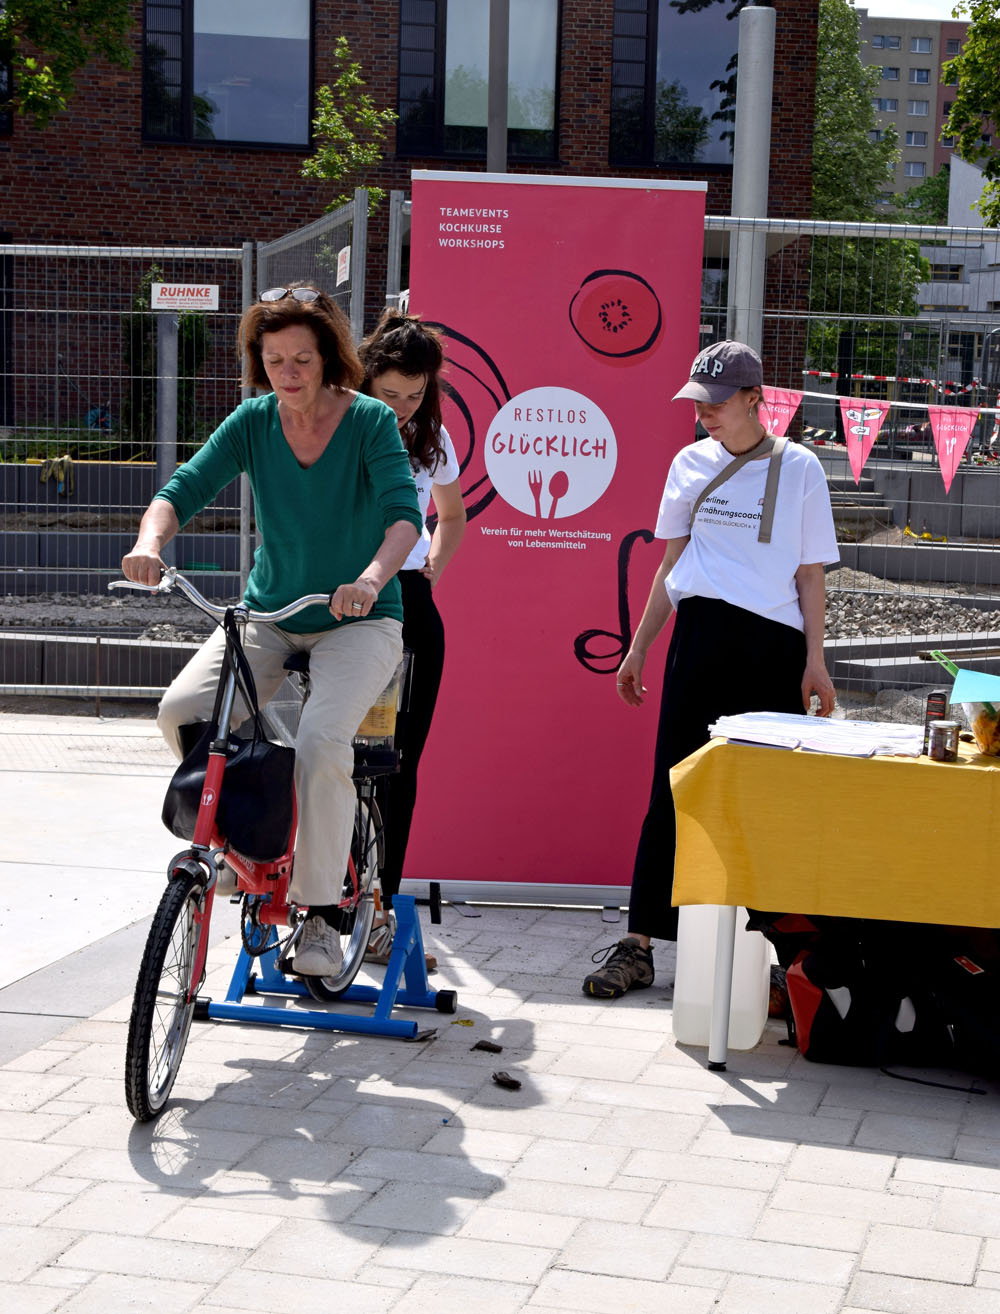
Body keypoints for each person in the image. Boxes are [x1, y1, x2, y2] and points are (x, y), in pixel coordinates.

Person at [122, 283, 422, 978]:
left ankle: (318, 916)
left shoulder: (371, 421)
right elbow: (182, 490)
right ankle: (243, 846)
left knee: (320, 740)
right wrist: (150, 541)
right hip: (273, 615)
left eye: (303, 359)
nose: (289, 371)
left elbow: (405, 516)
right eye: (275, 358)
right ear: (260, 362)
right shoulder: (254, 422)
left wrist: (372, 580)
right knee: (186, 710)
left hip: (361, 617)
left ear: (328, 360)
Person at [583, 339, 839, 999]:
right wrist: (638, 647)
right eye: (698, 403)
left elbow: (810, 573)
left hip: (774, 646)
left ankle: (784, 960)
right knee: (674, 789)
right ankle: (638, 944)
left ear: (756, 399)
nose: (705, 416)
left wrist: (816, 659)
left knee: (765, 802)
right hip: (698, 637)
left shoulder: (801, 466)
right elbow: (671, 565)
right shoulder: (688, 463)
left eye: (718, 403)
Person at [358, 310, 467, 963]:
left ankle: (377, 913)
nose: (402, 407)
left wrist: (434, 563)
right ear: (366, 378)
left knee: (399, 765)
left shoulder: (432, 437)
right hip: (345, 602)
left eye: (415, 395)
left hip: (410, 602)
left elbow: (451, 513)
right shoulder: (340, 427)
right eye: (390, 393)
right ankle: (325, 906)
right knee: (335, 761)